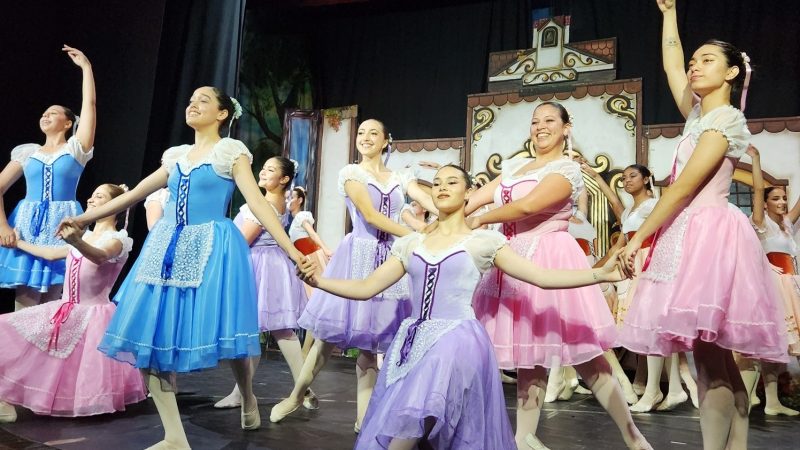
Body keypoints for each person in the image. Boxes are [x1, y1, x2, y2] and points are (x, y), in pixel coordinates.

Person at [297, 164, 630, 449]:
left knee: (410, 425)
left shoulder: (483, 242)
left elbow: (541, 277)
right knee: (416, 429)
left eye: (452, 181)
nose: (442, 187)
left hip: (456, 342)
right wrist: (318, 281)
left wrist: (600, 273)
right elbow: (366, 287)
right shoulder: (411, 243)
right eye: (437, 183)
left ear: (469, 193)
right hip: (410, 343)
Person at [57, 86, 304, 449]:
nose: (193, 105)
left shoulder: (230, 151)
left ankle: (247, 395)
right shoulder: (176, 157)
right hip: (165, 249)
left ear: (222, 113)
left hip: (211, 247)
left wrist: (293, 251)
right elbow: (134, 194)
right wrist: (83, 218)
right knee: (149, 337)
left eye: (203, 100)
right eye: (190, 100)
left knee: (228, 331)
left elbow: (258, 204)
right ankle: (175, 437)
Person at [618, 2, 787, 448]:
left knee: (710, 361)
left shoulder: (727, 119)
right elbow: (672, 64)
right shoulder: (697, 115)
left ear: (731, 73)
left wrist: (639, 237)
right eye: (695, 60)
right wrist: (669, 12)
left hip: (708, 233)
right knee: (715, 360)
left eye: (707, 60)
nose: (694, 66)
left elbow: (681, 189)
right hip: (687, 232)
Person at [465, 102, 650, 450]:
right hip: (511, 264)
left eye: (549, 120)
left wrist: (478, 220)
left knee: (587, 357)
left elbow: (527, 206)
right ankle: (524, 438)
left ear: (566, 128)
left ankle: (633, 437)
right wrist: (453, 217)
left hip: (550, 256)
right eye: (535, 121)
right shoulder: (516, 167)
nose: (540, 126)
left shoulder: (566, 170)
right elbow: (475, 199)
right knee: (529, 360)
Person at [270, 119, 436, 431]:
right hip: (357, 257)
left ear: (386, 141)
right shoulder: (351, 173)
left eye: (374, 133)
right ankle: (296, 396)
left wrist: (444, 214)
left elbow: (419, 202)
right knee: (326, 340)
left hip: (390, 262)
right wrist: (417, 236)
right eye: (361, 132)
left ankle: (363, 419)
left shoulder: (399, 177)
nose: (365, 137)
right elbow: (371, 216)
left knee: (370, 347)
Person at [0, 184, 145, 422]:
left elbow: (99, 256)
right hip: (65, 308)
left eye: (99, 196)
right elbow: (50, 254)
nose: (91, 199)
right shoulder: (86, 236)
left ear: (115, 206)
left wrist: (77, 241)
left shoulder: (119, 240)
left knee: (80, 367)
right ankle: (7, 401)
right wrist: (17, 243)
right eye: (92, 194)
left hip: (93, 315)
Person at [214, 156, 317, 411]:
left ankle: (298, 387)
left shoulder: (262, 206)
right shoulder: (278, 203)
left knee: (265, 329)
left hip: (259, 266)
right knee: (275, 330)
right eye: (263, 167)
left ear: (284, 179)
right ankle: (245, 392)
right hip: (273, 265)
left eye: (270, 170)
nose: (262, 172)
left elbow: (242, 241)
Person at [0, 46, 96, 310]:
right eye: (44, 113)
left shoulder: (76, 150)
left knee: (51, 306)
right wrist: (3, 227)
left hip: (62, 224)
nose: (45, 115)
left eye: (53, 113)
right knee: (23, 308)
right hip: (26, 225)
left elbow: (89, 106)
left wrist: (86, 68)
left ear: (68, 123)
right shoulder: (28, 153)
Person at [743, 144, 800, 416]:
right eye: (775, 199)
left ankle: (773, 402)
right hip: (774, 286)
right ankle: (755, 399)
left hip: (792, 285)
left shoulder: (786, 224)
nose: (782, 202)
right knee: (771, 343)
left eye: (783, 198)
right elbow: (757, 190)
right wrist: (756, 159)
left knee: (784, 345)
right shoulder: (762, 223)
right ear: (765, 204)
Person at [287, 186, 333, 357]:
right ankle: (306, 350)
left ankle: (306, 350)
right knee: (312, 303)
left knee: (316, 302)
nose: (288, 201)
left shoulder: (301, 216)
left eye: (291, 197)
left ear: (299, 200)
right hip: (304, 260)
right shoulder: (292, 221)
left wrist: (326, 249)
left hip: (312, 258)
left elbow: (312, 234)